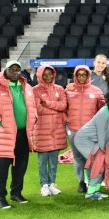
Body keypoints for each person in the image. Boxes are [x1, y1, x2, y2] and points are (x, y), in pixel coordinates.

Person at [0, 60, 37, 209]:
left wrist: (34, 118)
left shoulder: (27, 87)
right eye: (12, 69)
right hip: (5, 134)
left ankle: (16, 193)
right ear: (6, 70)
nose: (15, 72)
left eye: (17, 69)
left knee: (21, 165)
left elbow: (32, 106)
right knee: (2, 168)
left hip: (23, 134)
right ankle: (1, 197)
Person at [74, 90, 109, 200]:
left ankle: (95, 190)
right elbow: (101, 133)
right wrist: (103, 150)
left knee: (101, 164)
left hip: (96, 141)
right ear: (107, 101)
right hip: (84, 139)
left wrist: (107, 147)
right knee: (98, 163)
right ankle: (90, 193)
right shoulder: (102, 113)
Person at [65, 65, 105, 193]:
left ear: (88, 76)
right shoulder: (68, 91)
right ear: (75, 76)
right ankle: (82, 182)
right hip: (73, 130)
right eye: (79, 75)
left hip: (89, 132)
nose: (81, 77)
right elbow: (63, 108)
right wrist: (67, 123)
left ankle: (93, 182)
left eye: (84, 75)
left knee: (92, 158)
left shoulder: (96, 91)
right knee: (78, 158)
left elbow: (102, 111)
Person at [32, 65, 67, 197]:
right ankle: (44, 185)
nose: (48, 76)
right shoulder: (34, 90)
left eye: (50, 74)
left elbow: (63, 106)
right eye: (45, 74)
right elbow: (38, 109)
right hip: (41, 129)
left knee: (53, 161)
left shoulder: (59, 88)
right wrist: (55, 107)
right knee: (42, 161)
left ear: (54, 74)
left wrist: (47, 103)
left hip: (56, 129)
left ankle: (52, 184)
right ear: (39, 75)